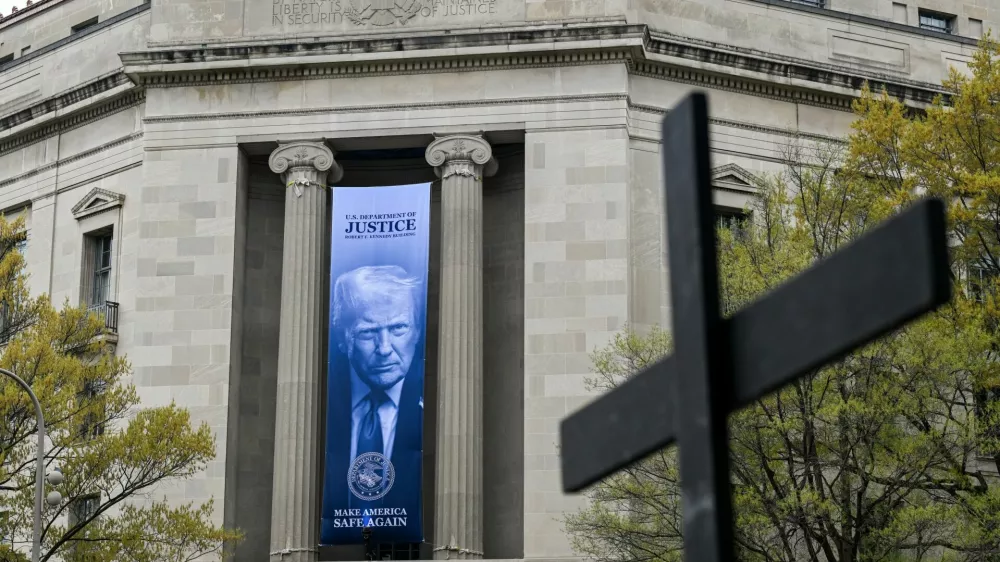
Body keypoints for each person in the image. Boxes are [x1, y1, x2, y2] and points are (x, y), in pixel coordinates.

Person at [322, 265, 424, 542]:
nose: (384, 348)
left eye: (399, 328)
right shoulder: (325, 402)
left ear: (416, 332)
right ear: (344, 340)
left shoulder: (425, 405)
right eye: (368, 333)